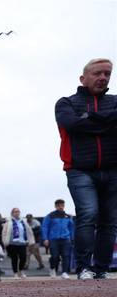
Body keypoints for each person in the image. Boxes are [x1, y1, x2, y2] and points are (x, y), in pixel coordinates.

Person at [55, 58, 117, 280]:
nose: (103, 78)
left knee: (109, 221)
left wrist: (89, 119)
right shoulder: (66, 103)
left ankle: (101, 268)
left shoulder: (115, 100)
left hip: (113, 169)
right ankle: (83, 267)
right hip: (80, 169)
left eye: (107, 74)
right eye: (97, 73)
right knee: (88, 214)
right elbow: (72, 125)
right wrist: (108, 122)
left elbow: (81, 125)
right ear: (83, 78)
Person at [41, 199, 75, 279]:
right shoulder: (50, 216)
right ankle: (52, 268)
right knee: (55, 256)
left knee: (66, 256)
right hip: (54, 239)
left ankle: (64, 272)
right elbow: (45, 227)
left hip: (66, 239)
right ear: (55, 206)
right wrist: (45, 238)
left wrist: (71, 238)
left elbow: (71, 228)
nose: (61, 207)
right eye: (59, 205)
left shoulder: (68, 216)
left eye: (62, 205)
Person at [1, 207, 35, 279]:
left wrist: (31, 240)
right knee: (14, 258)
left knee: (23, 257)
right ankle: (15, 273)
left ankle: (21, 270)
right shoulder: (8, 222)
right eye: (15, 212)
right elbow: (4, 232)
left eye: (18, 211)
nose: (17, 213)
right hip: (12, 243)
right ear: (12, 213)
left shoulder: (23, 221)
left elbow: (29, 231)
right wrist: (4, 241)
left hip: (22, 242)